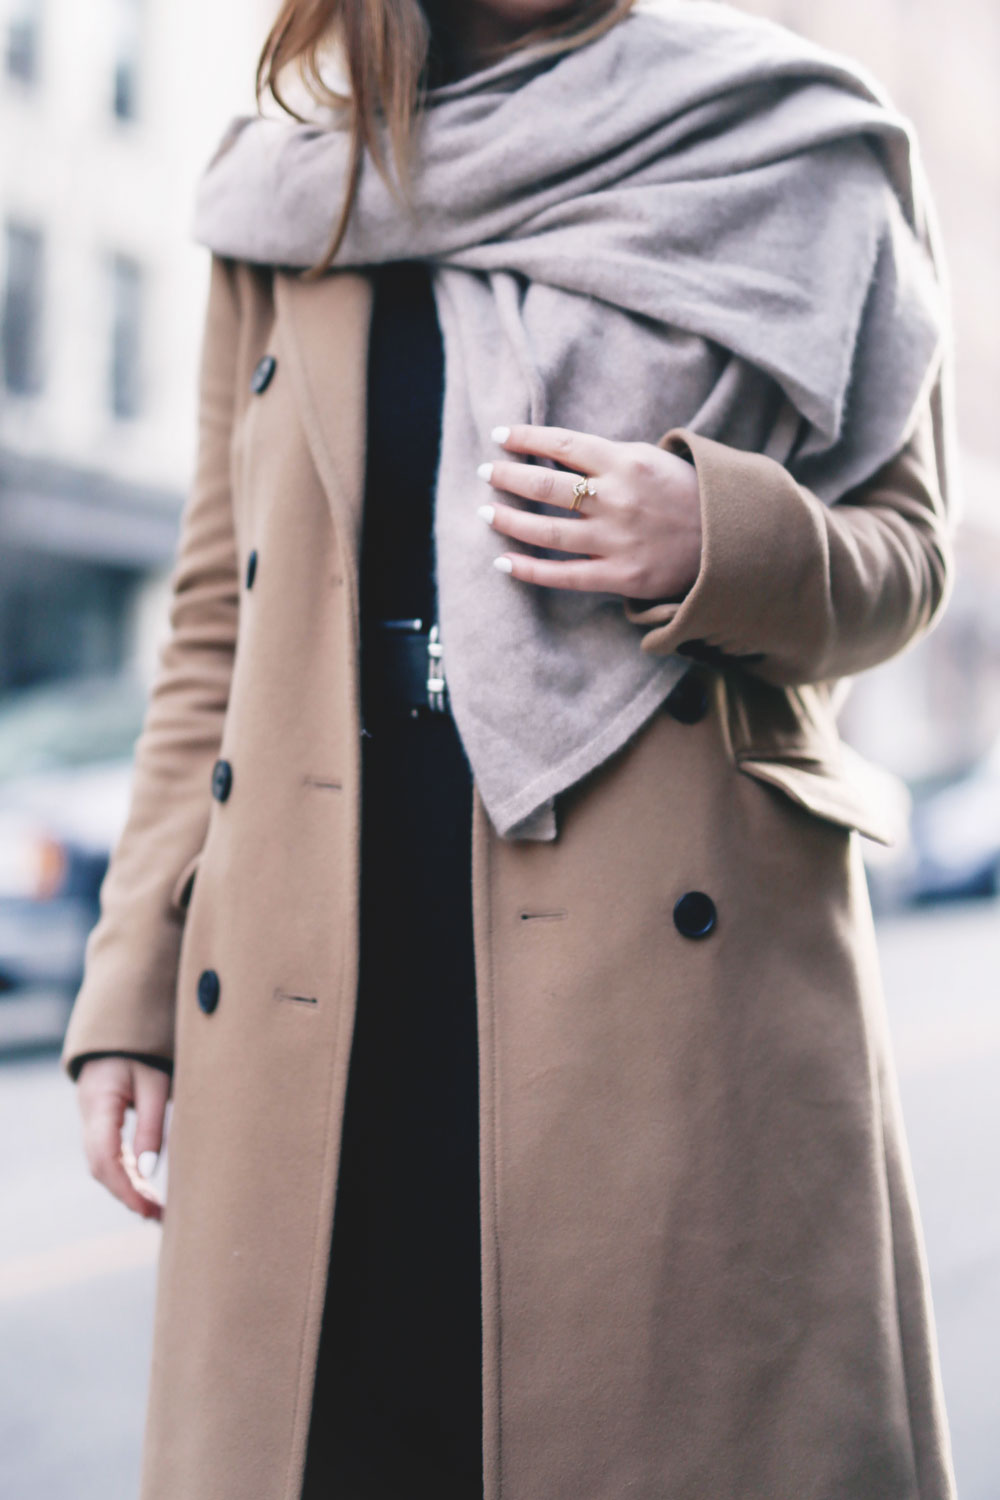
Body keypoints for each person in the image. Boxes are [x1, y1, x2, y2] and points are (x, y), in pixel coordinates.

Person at [63, 1, 959, 1497]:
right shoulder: (292, 185)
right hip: (318, 978)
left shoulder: (789, 138)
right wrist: (133, 988)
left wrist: (714, 532)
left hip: (665, 999)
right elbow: (220, 615)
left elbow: (909, 558)